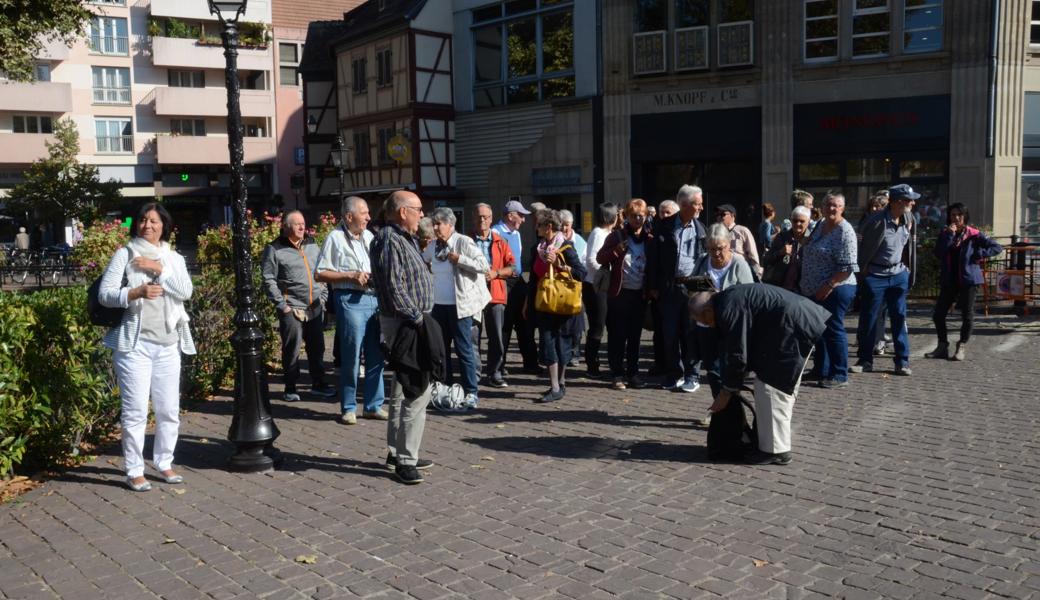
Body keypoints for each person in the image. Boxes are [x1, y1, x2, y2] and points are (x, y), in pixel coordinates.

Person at [98, 203, 195, 492]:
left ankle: (164, 462)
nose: (147, 226)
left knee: (168, 410)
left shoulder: (174, 258)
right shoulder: (125, 254)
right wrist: (135, 292)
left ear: (164, 225)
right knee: (135, 411)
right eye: (142, 220)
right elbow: (105, 295)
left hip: (168, 343)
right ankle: (134, 469)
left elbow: (185, 291)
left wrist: (157, 269)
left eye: (153, 221)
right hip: (134, 346)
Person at [690, 284, 829, 465]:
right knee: (770, 386)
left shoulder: (726, 308)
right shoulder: (726, 301)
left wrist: (727, 390)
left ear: (708, 310)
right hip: (794, 322)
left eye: (704, 320)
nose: (707, 325)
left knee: (772, 387)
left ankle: (777, 451)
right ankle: (770, 445)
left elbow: (737, 353)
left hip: (792, 326)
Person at [371, 190, 438, 484]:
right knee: (416, 389)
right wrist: (417, 318)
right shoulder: (388, 238)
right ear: (402, 211)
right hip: (406, 323)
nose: (422, 214)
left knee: (401, 391)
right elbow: (393, 286)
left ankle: (397, 452)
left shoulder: (401, 238)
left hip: (408, 321)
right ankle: (405, 460)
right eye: (418, 209)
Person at [315, 197, 386, 425]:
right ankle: (349, 407)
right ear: (348, 217)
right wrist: (351, 276)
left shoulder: (369, 236)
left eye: (368, 213)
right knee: (352, 354)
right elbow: (320, 273)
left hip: (373, 299)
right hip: (349, 299)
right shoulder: (335, 238)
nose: (368, 217)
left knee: (376, 354)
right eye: (364, 213)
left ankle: (374, 405)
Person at [261, 211, 334, 403]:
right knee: (292, 348)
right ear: (286, 227)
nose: (302, 227)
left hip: (315, 306)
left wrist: (323, 296)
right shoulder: (274, 248)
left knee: (317, 347)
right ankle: (290, 386)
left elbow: (321, 269)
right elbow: (268, 278)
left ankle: (318, 383)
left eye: (303, 223)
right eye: (297, 224)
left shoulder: (311, 244)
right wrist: (282, 305)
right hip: (292, 307)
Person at [424, 207, 490, 409]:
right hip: (439, 307)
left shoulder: (463, 241)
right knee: (440, 351)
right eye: (433, 223)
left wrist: (460, 259)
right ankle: (445, 388)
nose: (435, 228)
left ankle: (471, 392)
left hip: (460, 307)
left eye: (439, 224)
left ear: (450, 225)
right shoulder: (433, 245)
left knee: (464, 350)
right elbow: (421, 260)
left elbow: (483, 265)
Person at [851, 183, 919, 376]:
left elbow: (910, 248)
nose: (912, 203)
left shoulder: (909, 218)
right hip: (876, 276)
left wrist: (907, 272)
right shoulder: (875, 221)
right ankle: (865, 360)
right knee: (869, 319)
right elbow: (861, 248)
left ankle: (902, 362)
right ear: (897, 202)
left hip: (898, 276)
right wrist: (865, 274)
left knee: (899, 317)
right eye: (909, 200)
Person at [692, 224, 755, 421]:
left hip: (731, 328)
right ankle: (721, 411)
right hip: (706, 325)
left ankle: (733, 413)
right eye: (712, 249)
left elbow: (749, 297)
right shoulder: (703, 262)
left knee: (730, 371)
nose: (716, 253)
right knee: (712, 370)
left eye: (720, 248)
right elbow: (692, 289)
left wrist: (722, 298)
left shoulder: (738, 263)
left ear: (729, 244)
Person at [925, 203, 1003, 361]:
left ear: (965, 217)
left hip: (969, 279)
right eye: (953, 215)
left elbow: (996, 247)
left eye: (959, 215)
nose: (956, 218)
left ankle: (961, 345)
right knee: (938, 315)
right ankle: (942, 345)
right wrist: (949, 236)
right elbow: (939, 253)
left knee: (967, 314)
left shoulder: (974, 234)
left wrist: (979, 253)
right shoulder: (945, 233)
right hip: (949, 279)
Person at [647, 184, 706, 393]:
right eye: (697, 204)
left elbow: (705, 261)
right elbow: (652, 258)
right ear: (684, 205)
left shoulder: (701, 229)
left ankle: (692, 375)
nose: (701, 208)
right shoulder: (664, 226)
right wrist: (653, 286)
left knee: (691, 333)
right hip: (669, 287)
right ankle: (674, 374)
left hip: (693, 285)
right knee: (670, 333)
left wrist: (704, 290)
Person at [799, 192, 858, 389]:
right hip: (814, 288)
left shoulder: (845, 231)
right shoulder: (819, 225)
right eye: (828, 205)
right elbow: (808, 245)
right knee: (819, 330)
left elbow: (847, 267)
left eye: (836, 206)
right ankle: (821, 369)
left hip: (836, 287)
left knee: (833, 329)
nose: (831, 209)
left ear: (842, 208)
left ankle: (839, 374)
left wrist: (829, 285)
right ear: (822, 207)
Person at [527, 209, 587, 403]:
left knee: (562, 345)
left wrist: (561, 266)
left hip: (562, 304)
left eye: (540, 224)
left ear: (549, 227)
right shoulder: (539, 248)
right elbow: (534, 276)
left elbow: (581, 272)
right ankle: (554, 385)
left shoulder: (566, 247)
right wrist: (527, 302)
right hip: (544, 303)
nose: (537, 227)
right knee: (547, 343)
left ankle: (559, 384)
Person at [597, 199, 652, 390]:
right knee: (618, 336)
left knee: (635, 336)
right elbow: (600, 258)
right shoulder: (617, 236)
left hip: (639, 294)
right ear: (627, 216)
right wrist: (616, 251)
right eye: (634, 215)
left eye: (641, 216)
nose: (638, 219)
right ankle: (617, 374)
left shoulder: (648, 237)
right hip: (619, 293)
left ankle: (633, 374)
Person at [471, 203, 516, 388]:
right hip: (472, 295)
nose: (482, 220)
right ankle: (474, 374)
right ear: (474, 218)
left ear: (491, 219)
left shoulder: (500, 241)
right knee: (473, 336)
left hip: (495, 293)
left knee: (496, 336)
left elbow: (513, 268)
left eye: (486, 217)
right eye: (479, 216)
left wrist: (496, 273)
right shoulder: (466, 241)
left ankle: (495, 372)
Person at [492, 200, 539, 373]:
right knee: (505, 325)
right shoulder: (496, 232)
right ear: (510, 216)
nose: (523, 220)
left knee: (525, 321)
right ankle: (499, 365)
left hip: (518, 280)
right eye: (520, 215)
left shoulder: (516, 234)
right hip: (504, 282)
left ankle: (531, 363)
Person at [583, 203, 618, 378]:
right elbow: (591, 260)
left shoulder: (609, 234)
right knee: (597, 326)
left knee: (610, 324)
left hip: (604, 287)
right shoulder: (598, 233)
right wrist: (607, 274)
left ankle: (612, 362)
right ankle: (591, 364)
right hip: (595, 287)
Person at [859, 191, 891, 357]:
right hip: (871, 273)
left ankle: (880, 341)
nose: (874, 209)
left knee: (885, 311)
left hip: (889, 273)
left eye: (878, 206)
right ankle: (872, 342)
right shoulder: (866, 223)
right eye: (872, 206)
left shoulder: (891, 223)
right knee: (873, 311)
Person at [559, 210, 587, 367]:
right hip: (558, 289)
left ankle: (575, 352)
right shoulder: (556, 241)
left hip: (576, 287)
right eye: (561, 225)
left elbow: (583, 267)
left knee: (577, 320)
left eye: (567, 225)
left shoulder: (580, 242)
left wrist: (567, 268)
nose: (564, 229)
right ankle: (565, 351)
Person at [762, 206, 811, 291]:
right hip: (779, 288)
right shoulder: (781, 237)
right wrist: (780, 253)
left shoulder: (812, 240)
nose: (798, 224)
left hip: (802, 290)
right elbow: (765, 260)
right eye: (795, 221)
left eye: (802, 221)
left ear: (808, 222)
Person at [715, 204, 762, 278]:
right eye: (717, 215)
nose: (719, 217)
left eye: (722, 214)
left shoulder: (742, 231)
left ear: (732, 215)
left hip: (740, 272)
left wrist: (757, 275)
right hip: (722, 273)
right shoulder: (716, 234)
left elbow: (753, 255)